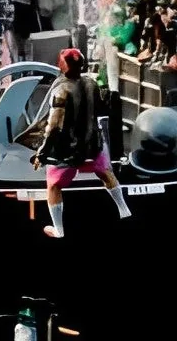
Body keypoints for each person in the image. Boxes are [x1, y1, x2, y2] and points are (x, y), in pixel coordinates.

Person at [30, 49, 131, 239]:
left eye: (61, 61)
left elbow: (53, 127)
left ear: (64, 65)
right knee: (106, 172)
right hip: (93, 145)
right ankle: (124, 210)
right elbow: (100, 108)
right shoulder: (91, 83)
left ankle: (59, 230)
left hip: (67, 151)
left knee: (53, 186)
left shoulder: (61, 91)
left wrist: (41, 153)